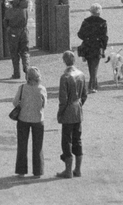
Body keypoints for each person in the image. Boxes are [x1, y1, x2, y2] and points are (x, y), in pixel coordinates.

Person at [57, 50, 87, 179]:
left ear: (64, 61)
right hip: (78, 109)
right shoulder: (81, 74)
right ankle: (78, 169)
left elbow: (63, 99)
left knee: (66, 140)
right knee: (77, 139)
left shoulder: (65, 77)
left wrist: (60, 113)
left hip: (68, 110)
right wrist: (79, 105)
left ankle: (68, 170)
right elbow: (84, 95)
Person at [12, 66, 47, 178]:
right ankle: (38, 171)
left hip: (23, 119)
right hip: (38, 119)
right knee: (38, 146)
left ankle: (21, 171)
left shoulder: (22, 88)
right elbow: (44, 105)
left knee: (22, 146)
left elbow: (15, 102)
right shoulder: (41, 89)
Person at [76, 3, 107, 93]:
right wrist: (104, 47)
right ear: (100, 12)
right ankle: (92, 85)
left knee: (91, 65)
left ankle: (94, 84)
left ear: (91, 12)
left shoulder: (86, 21)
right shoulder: (103, 22)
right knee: (95, 65)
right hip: (98, 46)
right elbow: (104, 37)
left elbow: (80, 34)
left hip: (88, 45)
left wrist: (87, 37)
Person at [3, 0, 31, 80]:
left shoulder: (9, 12)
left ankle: (16, 73)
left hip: (13, 33)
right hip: (24, 31)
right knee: (25, 51)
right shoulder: (24, 10)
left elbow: (5, 24)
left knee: (14, 53)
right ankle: (27, 69)